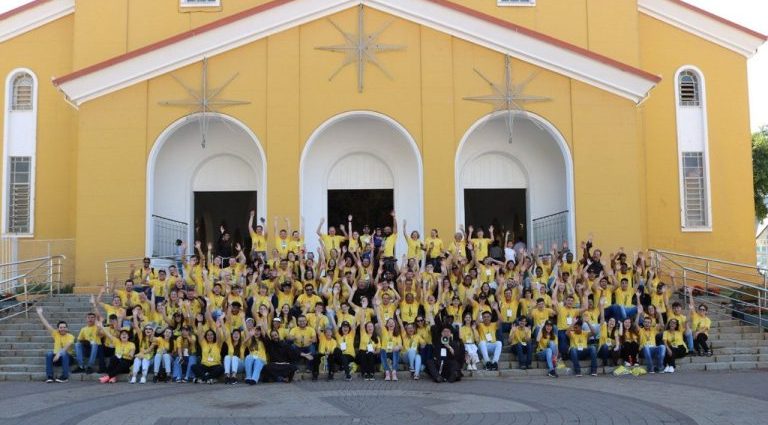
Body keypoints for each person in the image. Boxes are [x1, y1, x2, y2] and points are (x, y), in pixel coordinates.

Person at [36, 306, 75, 383]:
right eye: (61, 327)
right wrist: (40, 313)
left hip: (68, 358)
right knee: (49, 354)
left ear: (67, 328)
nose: (63, 329)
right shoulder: (56, 334)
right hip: (56, 359)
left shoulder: (70, 336)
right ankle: (49, 377)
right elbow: (46, 324)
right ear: (58, 329)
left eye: (64, 327)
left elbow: (67, 346)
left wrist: (59, 354)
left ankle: (65, 376)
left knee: (64, 353)